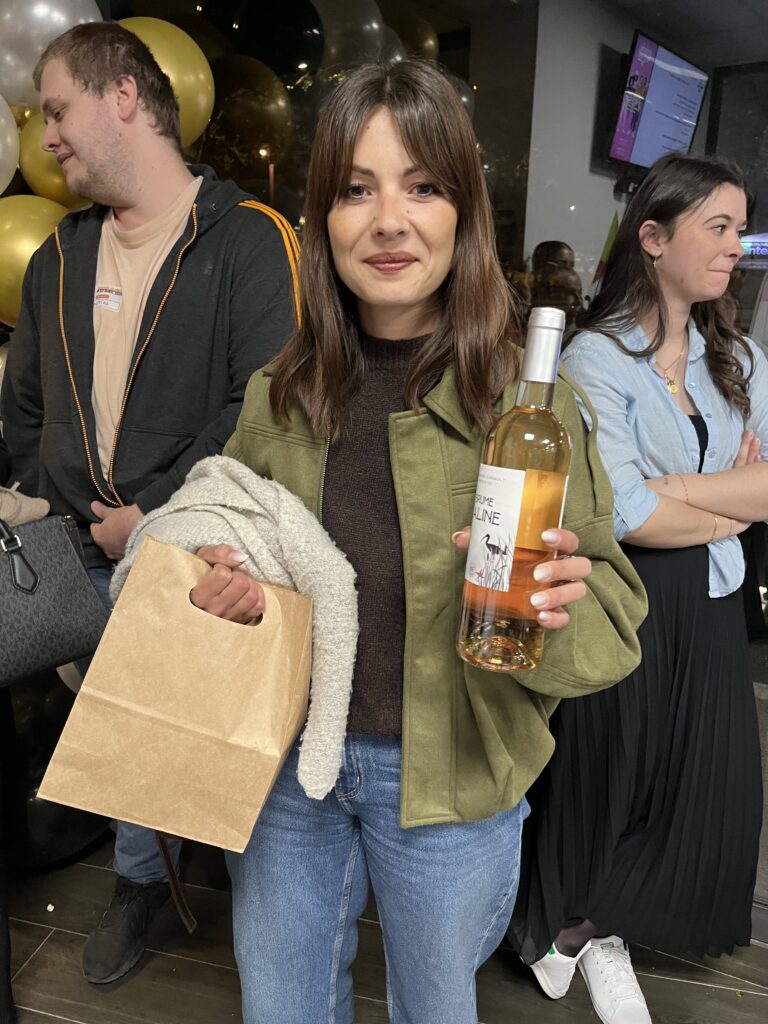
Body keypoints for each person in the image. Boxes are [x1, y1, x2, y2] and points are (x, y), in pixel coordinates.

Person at [136, 59, 647, 1023]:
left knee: (433, 1010)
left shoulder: (530, 408)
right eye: (356, 189)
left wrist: (557, 608)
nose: (389, 221)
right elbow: (218, 521)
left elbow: (614, 617)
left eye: (422, 187)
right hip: (290, 763)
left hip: (453, 780)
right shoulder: (280, 391)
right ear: (323, 218)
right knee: (282, 1008)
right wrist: (220, 577)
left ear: (464, 215)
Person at [0, 21, 299, 986]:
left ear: (124, 95)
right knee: (123, 728)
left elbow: (264, 406)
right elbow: (25, 408)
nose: (46, 136)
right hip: (82, 547)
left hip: (202, 546)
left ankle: (198, 887)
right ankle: (142, 878)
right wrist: (59, 513)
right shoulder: (58, 256)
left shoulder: (250, 239)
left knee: (205, 735)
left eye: (58, 109)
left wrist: (157, 515)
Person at [509, 152, 768, 1024]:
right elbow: (620, 513)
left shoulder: (738, 358)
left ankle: (596, 929)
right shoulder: (596, 358)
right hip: (626, 601)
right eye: (719, 227)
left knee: (702, 788)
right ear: (653, 238)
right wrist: (728, 507)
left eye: (740, 229)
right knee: (609, 780)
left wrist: (684, 494)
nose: (735, 247)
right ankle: (567, 932)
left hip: (714, 602)